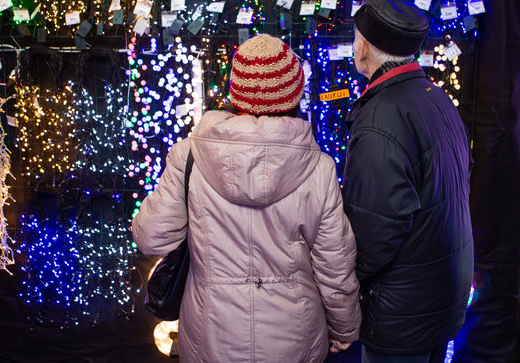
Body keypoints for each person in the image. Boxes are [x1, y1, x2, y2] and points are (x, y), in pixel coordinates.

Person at [133, 34, 361, 363]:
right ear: (293, 94)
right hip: (293, 336)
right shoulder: (319, 167)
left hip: (212, 335)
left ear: (235, 91)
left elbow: (150, 236)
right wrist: (345, 327)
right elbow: (334, 264)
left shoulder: (190, 156)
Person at [342, 0, 474, 363]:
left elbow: (376, 229)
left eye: (355, 37)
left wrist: (343, 285)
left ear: (364, 46)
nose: (354, 46)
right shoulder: (435, 97)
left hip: (402, 311)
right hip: (441, 295)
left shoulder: (381, 117)